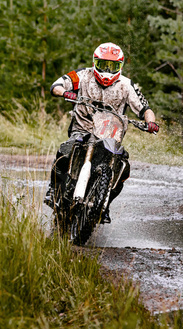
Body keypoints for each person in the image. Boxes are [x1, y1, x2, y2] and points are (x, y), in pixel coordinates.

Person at [45, 42, 159, 224]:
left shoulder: (126, 85)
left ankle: (104, 205)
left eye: (112, 66)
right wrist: (66, 93)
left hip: (110, 135)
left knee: (122, 168)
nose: (106, 70)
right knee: (65, 150)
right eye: (102, 64)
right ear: (95, 62)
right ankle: (54, 190)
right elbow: (57, 85)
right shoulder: (82, 76)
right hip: (82, 128)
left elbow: (145, 108)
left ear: (120, 66)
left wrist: (150, 122)